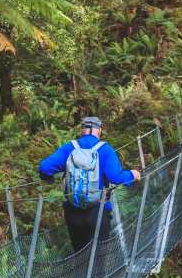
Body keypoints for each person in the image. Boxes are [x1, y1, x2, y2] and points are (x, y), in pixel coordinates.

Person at [38, 114, 139, 266]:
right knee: (98, 262)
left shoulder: (70, 147)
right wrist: (133, 174)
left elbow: (45, 168)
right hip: (97, 213)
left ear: (82, 130)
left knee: (80, 260)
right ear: (99, 131)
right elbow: (116, 177)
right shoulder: (105, 150)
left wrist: (49, 178)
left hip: (72, 213)